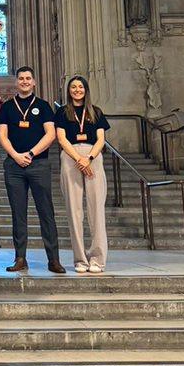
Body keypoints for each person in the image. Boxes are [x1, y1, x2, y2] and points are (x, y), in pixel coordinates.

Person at [0, 66, 65, 274]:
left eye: (28, 78)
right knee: (18, 214)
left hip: (39, 164)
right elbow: (2, 135)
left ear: (34, 82)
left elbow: (50, 134)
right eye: (21, 78)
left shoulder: (44, 106)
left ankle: (53, 259)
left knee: (46, 212)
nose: (25, 81)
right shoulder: (7, 107)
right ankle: (20, 257)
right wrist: (16, 155)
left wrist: (31, 153)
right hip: (14, 166)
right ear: (16, 82)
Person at [55, 76, 110, 273]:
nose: (77, 90)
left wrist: (89, 158)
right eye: (73, 87)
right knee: (74, 211)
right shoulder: (62, 111)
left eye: (80, 87)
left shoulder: (96, 111)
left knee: (96, 210)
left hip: (92, 156)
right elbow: (61, 138)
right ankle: (80, 259)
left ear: (85, 89)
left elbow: (101, 139)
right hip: (71, 157)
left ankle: (97, 259)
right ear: (68, 91)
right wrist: (79, 158)